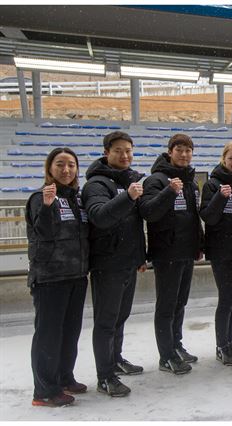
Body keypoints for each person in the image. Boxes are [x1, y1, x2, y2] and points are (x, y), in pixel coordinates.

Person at [82, 131, 146, 397]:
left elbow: (135, 224)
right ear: (107, 152)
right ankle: (104, 376)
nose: (125, 156)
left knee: (121, 316)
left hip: (128, 262)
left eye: (129, 151)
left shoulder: (129, 181)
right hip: (107, 264)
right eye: (119, 150)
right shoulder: (96, 184)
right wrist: (128, 197)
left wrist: (140, 256)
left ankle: (116, 359)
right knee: (106, 321)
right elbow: (100, 216)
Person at [26, 147, 89, 407]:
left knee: (70, 332)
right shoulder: (41, 198)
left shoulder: (77, 198)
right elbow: (43, 233)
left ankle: (64, 377)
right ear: (49, 168)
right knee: (48, 334)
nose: (66, 170)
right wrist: (49, 206)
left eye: (71, 165)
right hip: (51, 276)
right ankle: (43, 391)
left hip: (76, 274)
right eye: (60, 165)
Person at [139, 134, 203, 375]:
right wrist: (168, 191)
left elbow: (192, 216)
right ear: (169, 152)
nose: (184, 154)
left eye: (188, 150)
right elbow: (148, 212)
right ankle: (165, 356)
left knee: (180, 303)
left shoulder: (188, 181)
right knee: (166, 306)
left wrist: (198, 244)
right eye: (179, 149)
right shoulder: (156, 179)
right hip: (167, 252)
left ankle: (176, 346)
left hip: (186, 252)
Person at [199, 141, 232, 366]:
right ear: (223, 159)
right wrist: (221, 197)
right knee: (226, 297)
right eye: (231, 159)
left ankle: (230, 341)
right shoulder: (212, 184)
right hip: (221, 249)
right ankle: (221, 345)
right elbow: (208, 216)